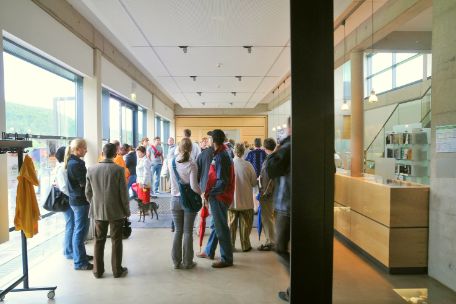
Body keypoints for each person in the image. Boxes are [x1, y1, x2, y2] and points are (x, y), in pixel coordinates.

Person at [86, 143, 130, 279]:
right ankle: (117, 270)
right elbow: (123, 193)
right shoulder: (118, 170)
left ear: (103, 153)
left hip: (98, 210)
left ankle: (97, 271)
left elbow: (87, 192)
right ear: (115, 154)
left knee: (99, 240)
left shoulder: (91, 169)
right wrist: (126, 210)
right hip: (116, 210)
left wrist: (94, 204)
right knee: (116, 240)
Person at [197, 129, 235, 268]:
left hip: (219, 196)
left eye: (210, 139)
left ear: (214, 141)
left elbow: (222, 182)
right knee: (215, 225)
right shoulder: (222, 153)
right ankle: (209, 251)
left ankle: (227, 259)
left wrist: (209, 193)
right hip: (220, 195)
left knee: (221, 227)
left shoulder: (221, 156)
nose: (209, 141)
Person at [266, 117, 291, 302]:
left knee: (281, 247)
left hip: (287, 204)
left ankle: (297, 287)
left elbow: (272, 169)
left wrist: (277, 148)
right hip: (307, 204)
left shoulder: (288, 146)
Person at [169, 138, 201, 269]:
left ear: (179, 147)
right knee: (188, 231)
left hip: (174, 200)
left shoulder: (172, 161)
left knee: (178, 231)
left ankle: (176, 262)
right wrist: (201, 192)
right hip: (188, 201)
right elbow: (194, 186)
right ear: (192, 148)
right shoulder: (192, 164)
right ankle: (188, 262)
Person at [65, 138, 93, 270]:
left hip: (77, 200)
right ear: (77, 149)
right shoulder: (75, 164)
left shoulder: (73, 162)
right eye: (84, 148)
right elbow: (84, 184)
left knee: (80, 231)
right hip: (80, 201)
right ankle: (79, 262)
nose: (86, 150)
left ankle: (81, 256)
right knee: (80, 231)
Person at [229, 143, 257, 252]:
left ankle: (230, 246)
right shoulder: (248, 165)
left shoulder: (229, 164)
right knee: (246, 226)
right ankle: (245, 246)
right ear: (244, 151)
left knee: (231, 226)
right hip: (246, 200)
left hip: (231, 201)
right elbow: (254, 182)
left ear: (234, 151)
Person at [257, 138, 277, 251]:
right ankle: (270, 240)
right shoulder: (272, 159)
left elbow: (271, 179)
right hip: (269, 192)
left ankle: (271, 242)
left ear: (265, 148)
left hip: (267, 194)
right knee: (268, 218)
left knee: (267, 218)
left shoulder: (270, 160)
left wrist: (265, 193)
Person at [55, 146, 73, 260]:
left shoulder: (64, 167)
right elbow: (63, 187)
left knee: (71, 225)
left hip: (68, 200)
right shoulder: (62, 169)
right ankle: (67, 251)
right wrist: (73, 197)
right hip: (67, 201)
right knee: (70, 225)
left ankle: (70, 250)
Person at [136, 145, 151, 209]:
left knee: (145, 196)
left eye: (139, 153)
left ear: (143, 153)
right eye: (137, 153)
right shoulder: (140, 159)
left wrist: (144, 183)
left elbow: (146, 173)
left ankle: (145, 210)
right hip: (140, 181)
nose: (138, 154)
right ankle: (142, 209)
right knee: (140, 196)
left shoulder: (145, 161)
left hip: (144, 182)